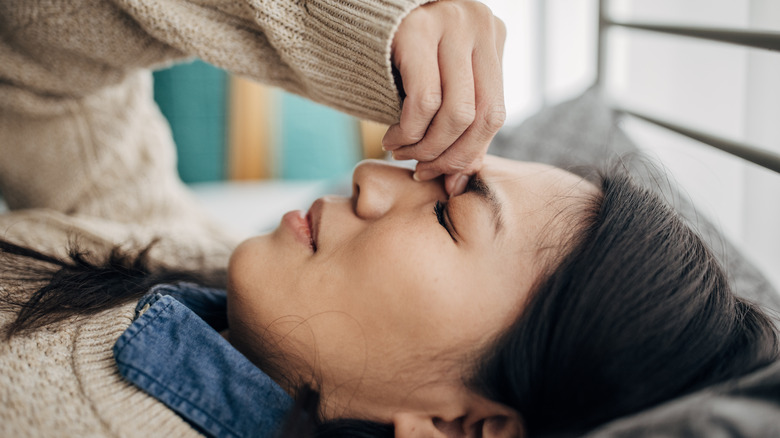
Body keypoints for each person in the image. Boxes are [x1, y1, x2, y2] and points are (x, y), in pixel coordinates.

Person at [1, 2, 778, 438]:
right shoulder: (179, 266)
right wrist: (375, 32)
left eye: (446, 217)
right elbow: (37, 67)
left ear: (460, 426)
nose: (371, 177)